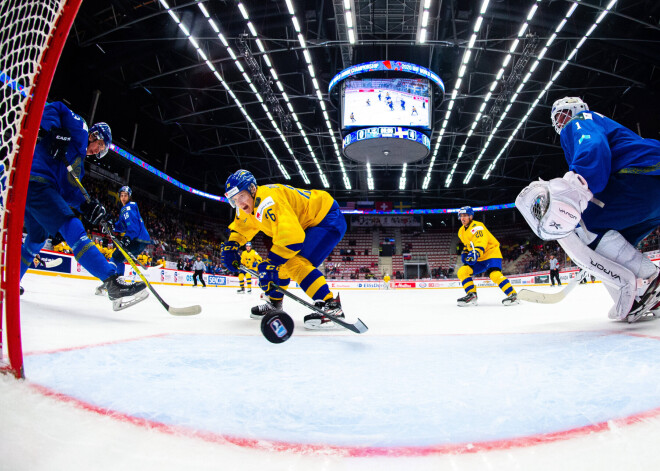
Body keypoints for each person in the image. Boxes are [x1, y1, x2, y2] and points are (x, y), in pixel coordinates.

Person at [516, 96, 660, 322]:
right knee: (610, 242)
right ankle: (643, 295)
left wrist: (579, 185)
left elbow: (593, 145)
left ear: (576, 109)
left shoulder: (580, 120)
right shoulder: (599, 123)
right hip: (650, 186)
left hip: (642, 177)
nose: (559, 122)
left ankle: (649, 279)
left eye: (562, 114)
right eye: (556, 118)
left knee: (582, 225)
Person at [18, 101, 147, 310]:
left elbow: (70, 192)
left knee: (36, 240)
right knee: (72, 226)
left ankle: (10, 282)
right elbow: (55, 107)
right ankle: (111, 281)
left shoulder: (77, 167)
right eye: (100, 146)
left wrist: (88, 206)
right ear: (95, 136)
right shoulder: (80, 128)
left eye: (101, 150)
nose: (97, 152)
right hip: (36, 182)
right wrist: (56, 130)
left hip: (37, 189)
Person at [221, 169, 347, 329]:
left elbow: (292, 239)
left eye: (241, 196)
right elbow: (242, 227)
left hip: (326, 218)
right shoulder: (248, 205)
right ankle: (274, 304)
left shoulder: (268, 201)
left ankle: (332, 307)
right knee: (281, 262)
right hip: (307, 223)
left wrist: (272, 262)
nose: (239, 203)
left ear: (252, 189)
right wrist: (231, 245)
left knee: (291, 262)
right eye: (234, 200)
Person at [455, 206, 519, 307]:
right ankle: (472, 295)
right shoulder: (461, 231)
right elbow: (468, 244)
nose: (463, 218)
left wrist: (475, 252)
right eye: (461, 216)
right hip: (479, 258)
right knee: (462, 271)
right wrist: (465, 252)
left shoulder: (478, 226)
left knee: (494, 274)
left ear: (471, 216)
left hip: (490, 253)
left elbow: (481, 241)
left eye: (465, 215)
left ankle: (513, 295)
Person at [95, 186, 151, 295]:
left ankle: (110, 282)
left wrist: (127, 238)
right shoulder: (125, 209)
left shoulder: (128, 208)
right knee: (119, 258)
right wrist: (112, 226)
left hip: (137, 239)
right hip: (141, 240)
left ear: (129, 196)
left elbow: (133, 227)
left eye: (125, 195)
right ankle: (118, 281)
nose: (123, 197)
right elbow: (121, 226)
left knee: (115, 257)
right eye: (121, 195)